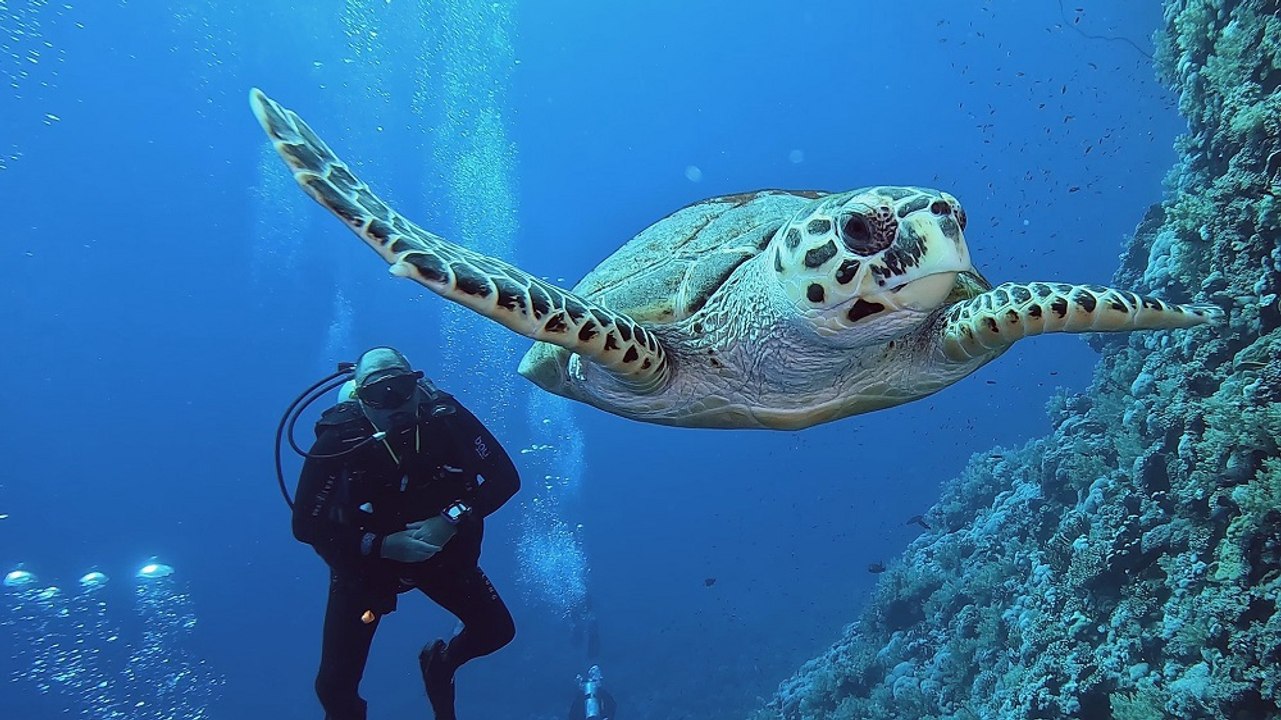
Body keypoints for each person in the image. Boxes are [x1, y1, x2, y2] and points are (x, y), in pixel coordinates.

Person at [292, 347, 521, 720]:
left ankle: (440, 665)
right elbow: (307, 525)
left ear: (417, 385)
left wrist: (450, 519)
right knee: (334, 686)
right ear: (360, 400)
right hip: (368, 569)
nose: (392, 403)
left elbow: (505, 479)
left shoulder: (446, 419)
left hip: (441, 557)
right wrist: (381, 545)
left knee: (496, 631)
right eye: (377, 394)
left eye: (400, 387)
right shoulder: (339, 440)